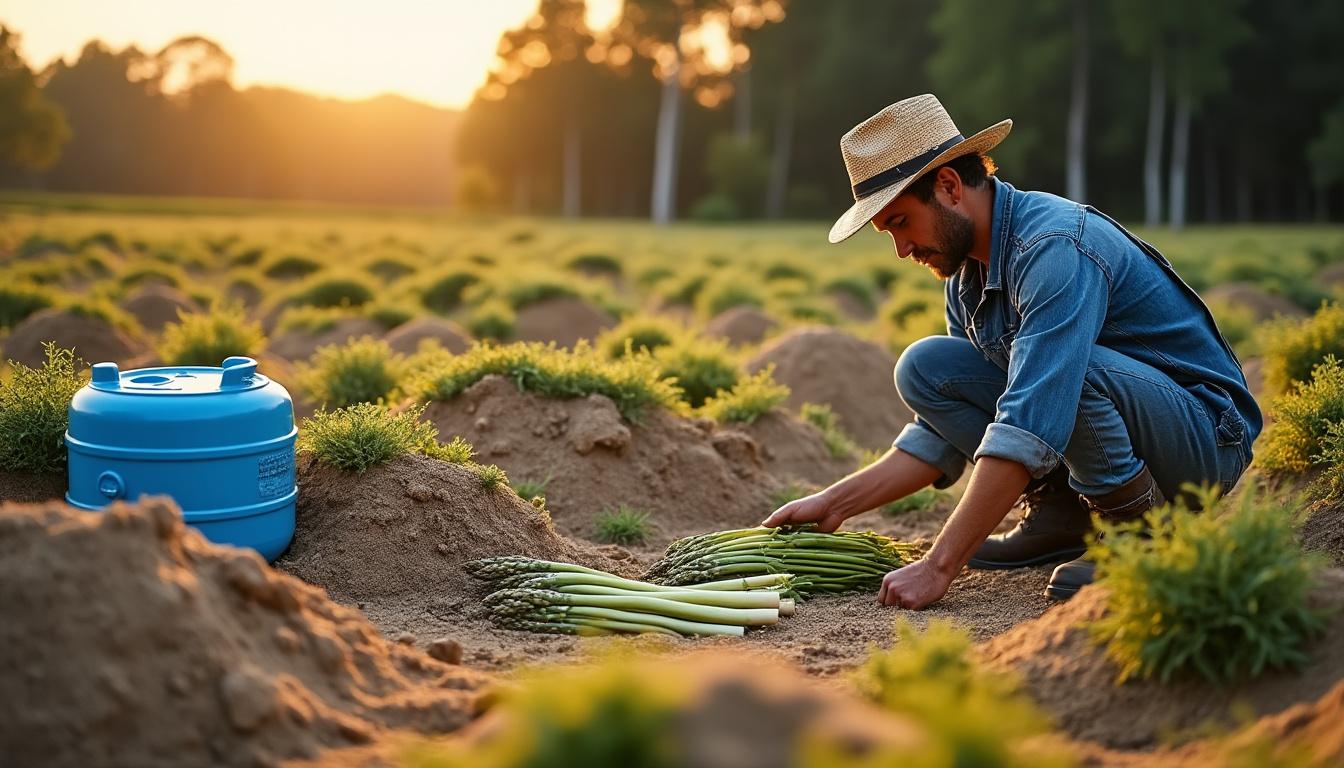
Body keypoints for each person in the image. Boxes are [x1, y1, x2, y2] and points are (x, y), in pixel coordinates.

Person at [761, 94, 1260, 608]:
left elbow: (1033, 414)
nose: (901, 250)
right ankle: (1064, 515)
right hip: (1126, 419)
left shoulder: (1053, 247)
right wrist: (835, 503)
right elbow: (944, 433)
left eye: (901, 223)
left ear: (950, 187)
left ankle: (1143, 533)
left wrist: (938, 567)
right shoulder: (966, 277)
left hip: (1205, 437)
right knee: (927, 369)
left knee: (1063, 371)